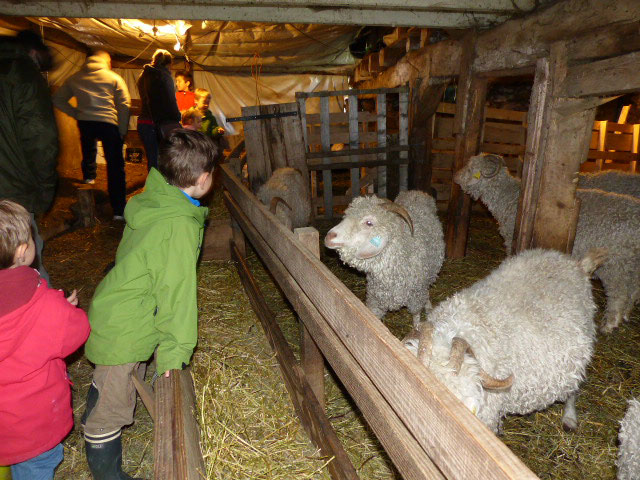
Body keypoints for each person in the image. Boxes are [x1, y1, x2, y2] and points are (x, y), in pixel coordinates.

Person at [82, 129, 218, 480]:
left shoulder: (154, 201)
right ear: (204, 179)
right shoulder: (178, 225)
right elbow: (177, 294)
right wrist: (174, 355)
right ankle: (107, 471)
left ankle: (101, 395)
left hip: (122, 308)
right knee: (112, 406)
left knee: (118, 377)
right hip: (125, 326)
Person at [0, 199, 90, 480]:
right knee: (35, 469)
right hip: (33, 425)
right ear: (24, 251)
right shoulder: (44, 304)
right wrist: (65, 309)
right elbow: (78, 331)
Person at [0, 30, 59, 284]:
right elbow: (41, 137)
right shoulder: (22, 74)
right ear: (34, 51)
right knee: (23, 260)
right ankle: (41, 317)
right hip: (13, 188)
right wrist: (45, 189)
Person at [53, 50, 130, 220]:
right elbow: (124, 104)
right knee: (115, 165)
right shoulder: (113, 78)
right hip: (108, 121)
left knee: (88, 148)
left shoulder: (76, 77)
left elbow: (58, 99)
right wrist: (122, 129)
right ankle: (118, 210)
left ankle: (89, 178)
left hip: (85, 121)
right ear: (106, 61)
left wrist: (76, 113)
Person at [136, 49, 181, 171]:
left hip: (143, 122)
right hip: (159, 124)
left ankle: (153, 186)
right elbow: (170, 101)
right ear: (169, 64)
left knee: (152, 159)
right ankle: (161, 188)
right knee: (163, 159)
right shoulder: (164, 76)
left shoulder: (143, 76)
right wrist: (177, 118)